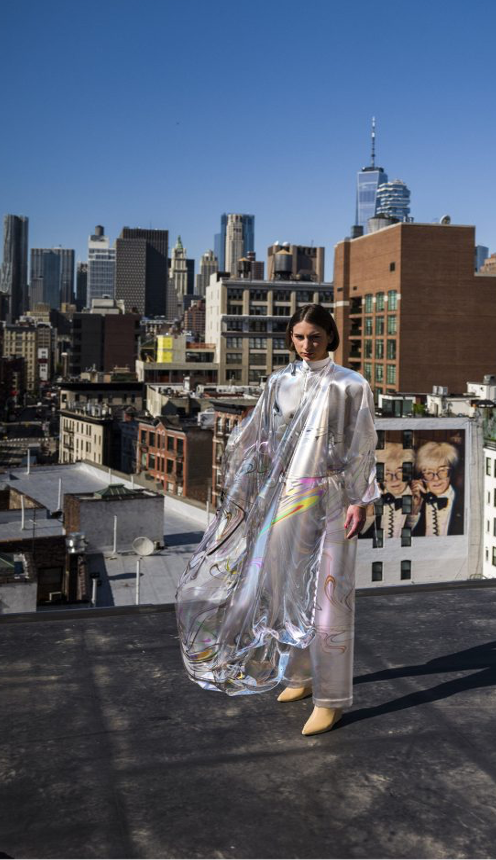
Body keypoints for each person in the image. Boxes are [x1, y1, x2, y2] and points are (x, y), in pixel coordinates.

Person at [176, 303, 380, 736]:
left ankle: (331, 699)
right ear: (291, 337)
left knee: (331, 598)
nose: (307, 345)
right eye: (300, 337)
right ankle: (301, 677)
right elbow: (260, 440)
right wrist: (247, 487)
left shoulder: (349, 384)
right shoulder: (278, 383)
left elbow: (362, 444)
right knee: (287, 591)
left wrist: (361, 499)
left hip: (335, 497)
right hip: (288, 498)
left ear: (330, 338)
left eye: (316, 337)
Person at [406, 441, 463, 535]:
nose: (436, 478)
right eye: (428, 472)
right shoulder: (414, 502)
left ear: (451, 471)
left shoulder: (464, 500)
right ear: (421, 476)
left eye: (442, 470)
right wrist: (414, 511)